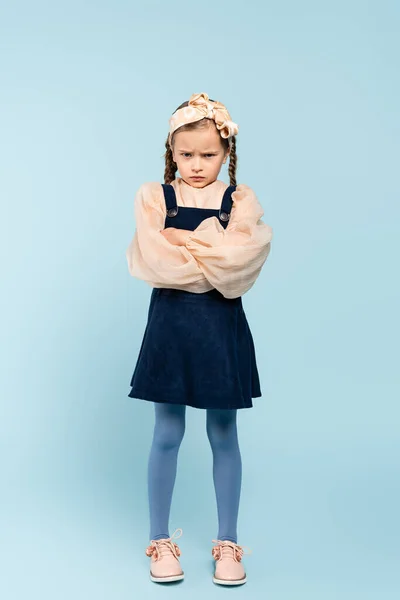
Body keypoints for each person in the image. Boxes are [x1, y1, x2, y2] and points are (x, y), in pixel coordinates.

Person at [125, 92, 273, 585]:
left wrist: (182, 243)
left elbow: (240, 267)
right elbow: (155, 263)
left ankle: (228, 544)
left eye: (208, 155)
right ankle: (159, 540)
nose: (196, 165)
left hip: (220, 326)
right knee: (166, 434)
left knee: (223, 434)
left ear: (225, 154)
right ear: (172, 151)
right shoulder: (154, 197)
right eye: (186, 154)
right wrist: (213, 247)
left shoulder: (240, 199)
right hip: (170, 325)